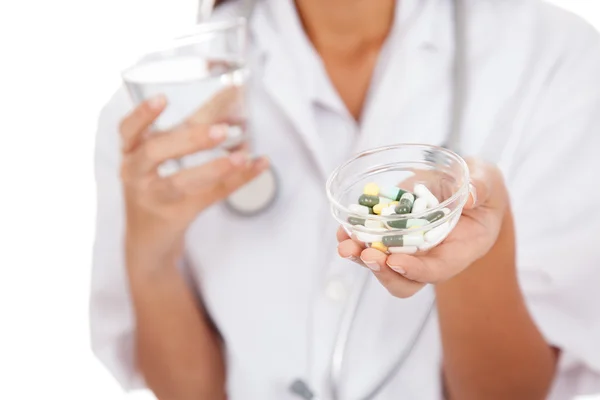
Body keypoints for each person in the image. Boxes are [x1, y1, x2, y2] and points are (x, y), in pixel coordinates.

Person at [90, 0, 600, 399]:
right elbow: (190, 395)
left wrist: (479, 249)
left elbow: (508, 395)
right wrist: (150, 257)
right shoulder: (163, 102)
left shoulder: (553, 58)